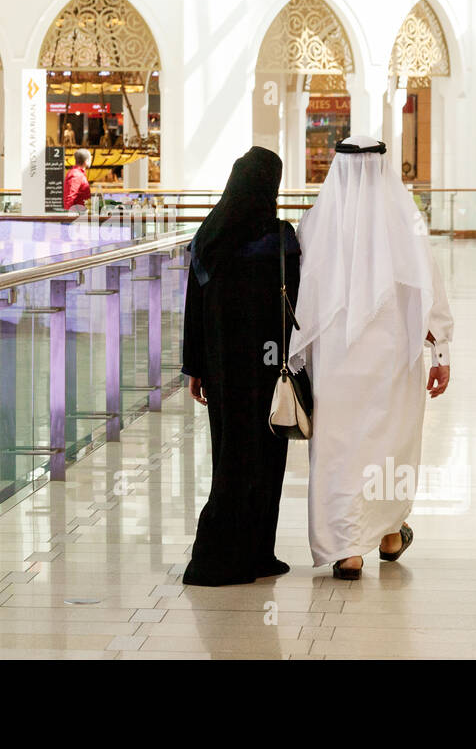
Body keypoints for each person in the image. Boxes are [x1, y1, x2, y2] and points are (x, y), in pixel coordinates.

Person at [288, 136, 452, 580]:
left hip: (336, 365)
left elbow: (301, 298)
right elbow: (429, 290)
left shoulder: (315, 223)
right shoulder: (406, 221)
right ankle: (389, 534)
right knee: (388, 445)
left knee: (340, 449)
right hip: (394, 361)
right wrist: (440, 352)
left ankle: (347, 551)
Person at [182, 146, 299, 586]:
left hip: (223, 371)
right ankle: (248, 553)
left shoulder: (210, 236)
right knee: (267, 459)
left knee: (230, 456)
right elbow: (295, 304)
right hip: (270, 369)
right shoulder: (281, 239)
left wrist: (196, 367)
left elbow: (193, 307)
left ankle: (233, 553)